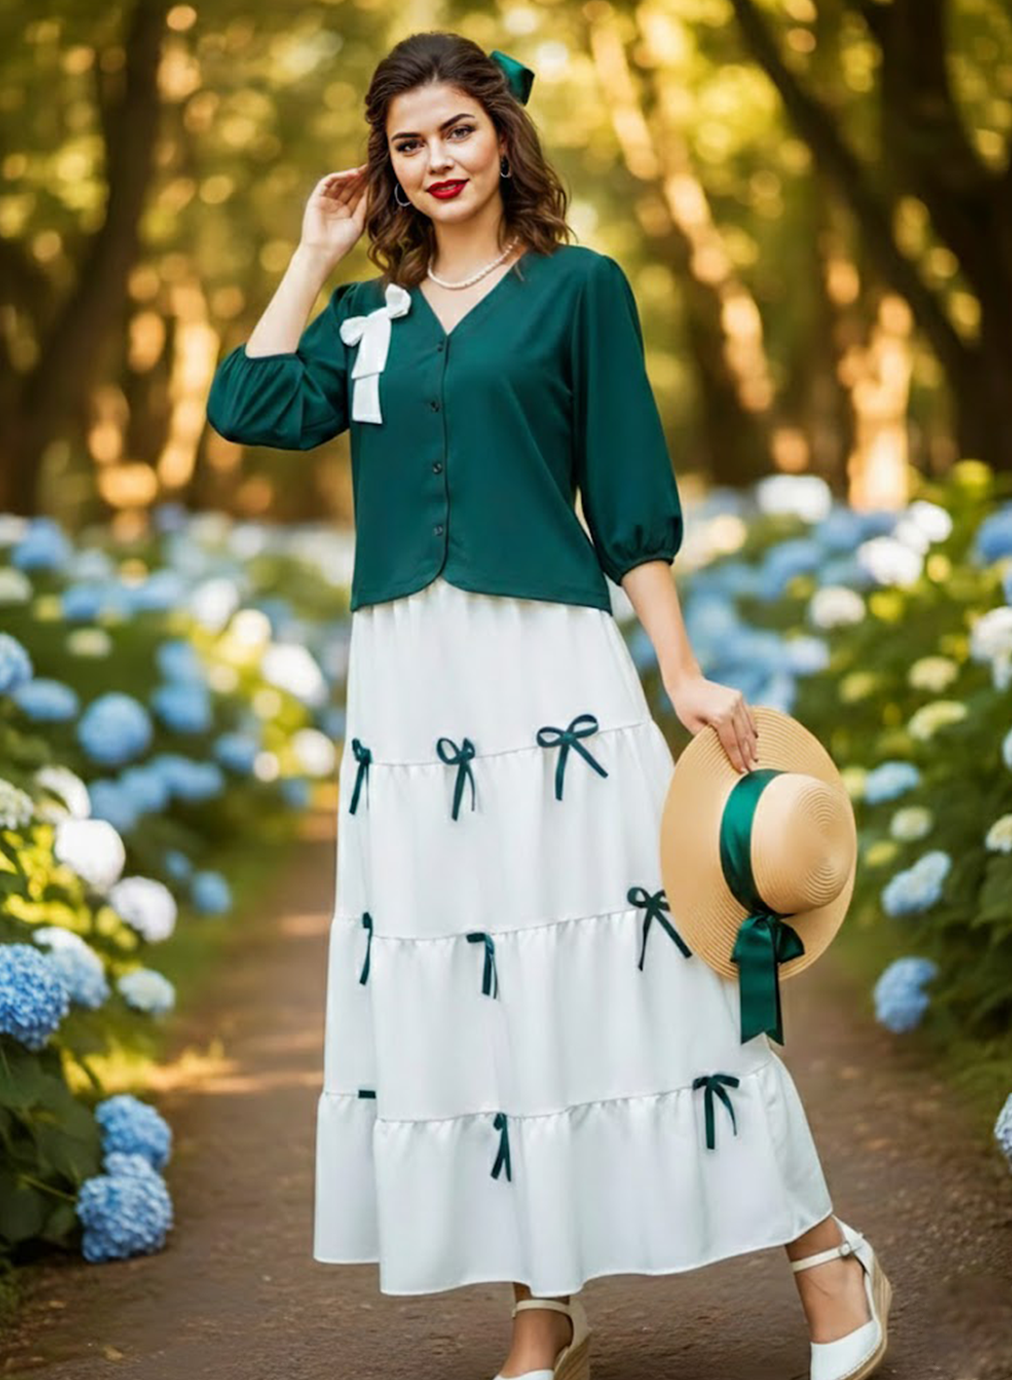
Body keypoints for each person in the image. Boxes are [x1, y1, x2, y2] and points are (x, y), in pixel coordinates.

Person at [205, 30, 888, 1380]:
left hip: (554, 673)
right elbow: (247, 406)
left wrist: (680, 671)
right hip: (411, 694)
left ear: (503, 136)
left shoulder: (582, 290)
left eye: (456, 129)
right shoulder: (366, 321)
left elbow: (627, 496)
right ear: (383, 165)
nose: (434, 160)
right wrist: (312, 256)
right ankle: (543, 1305)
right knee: (475, 977)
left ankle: (824, 1253)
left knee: (652, 968)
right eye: (407, 142)